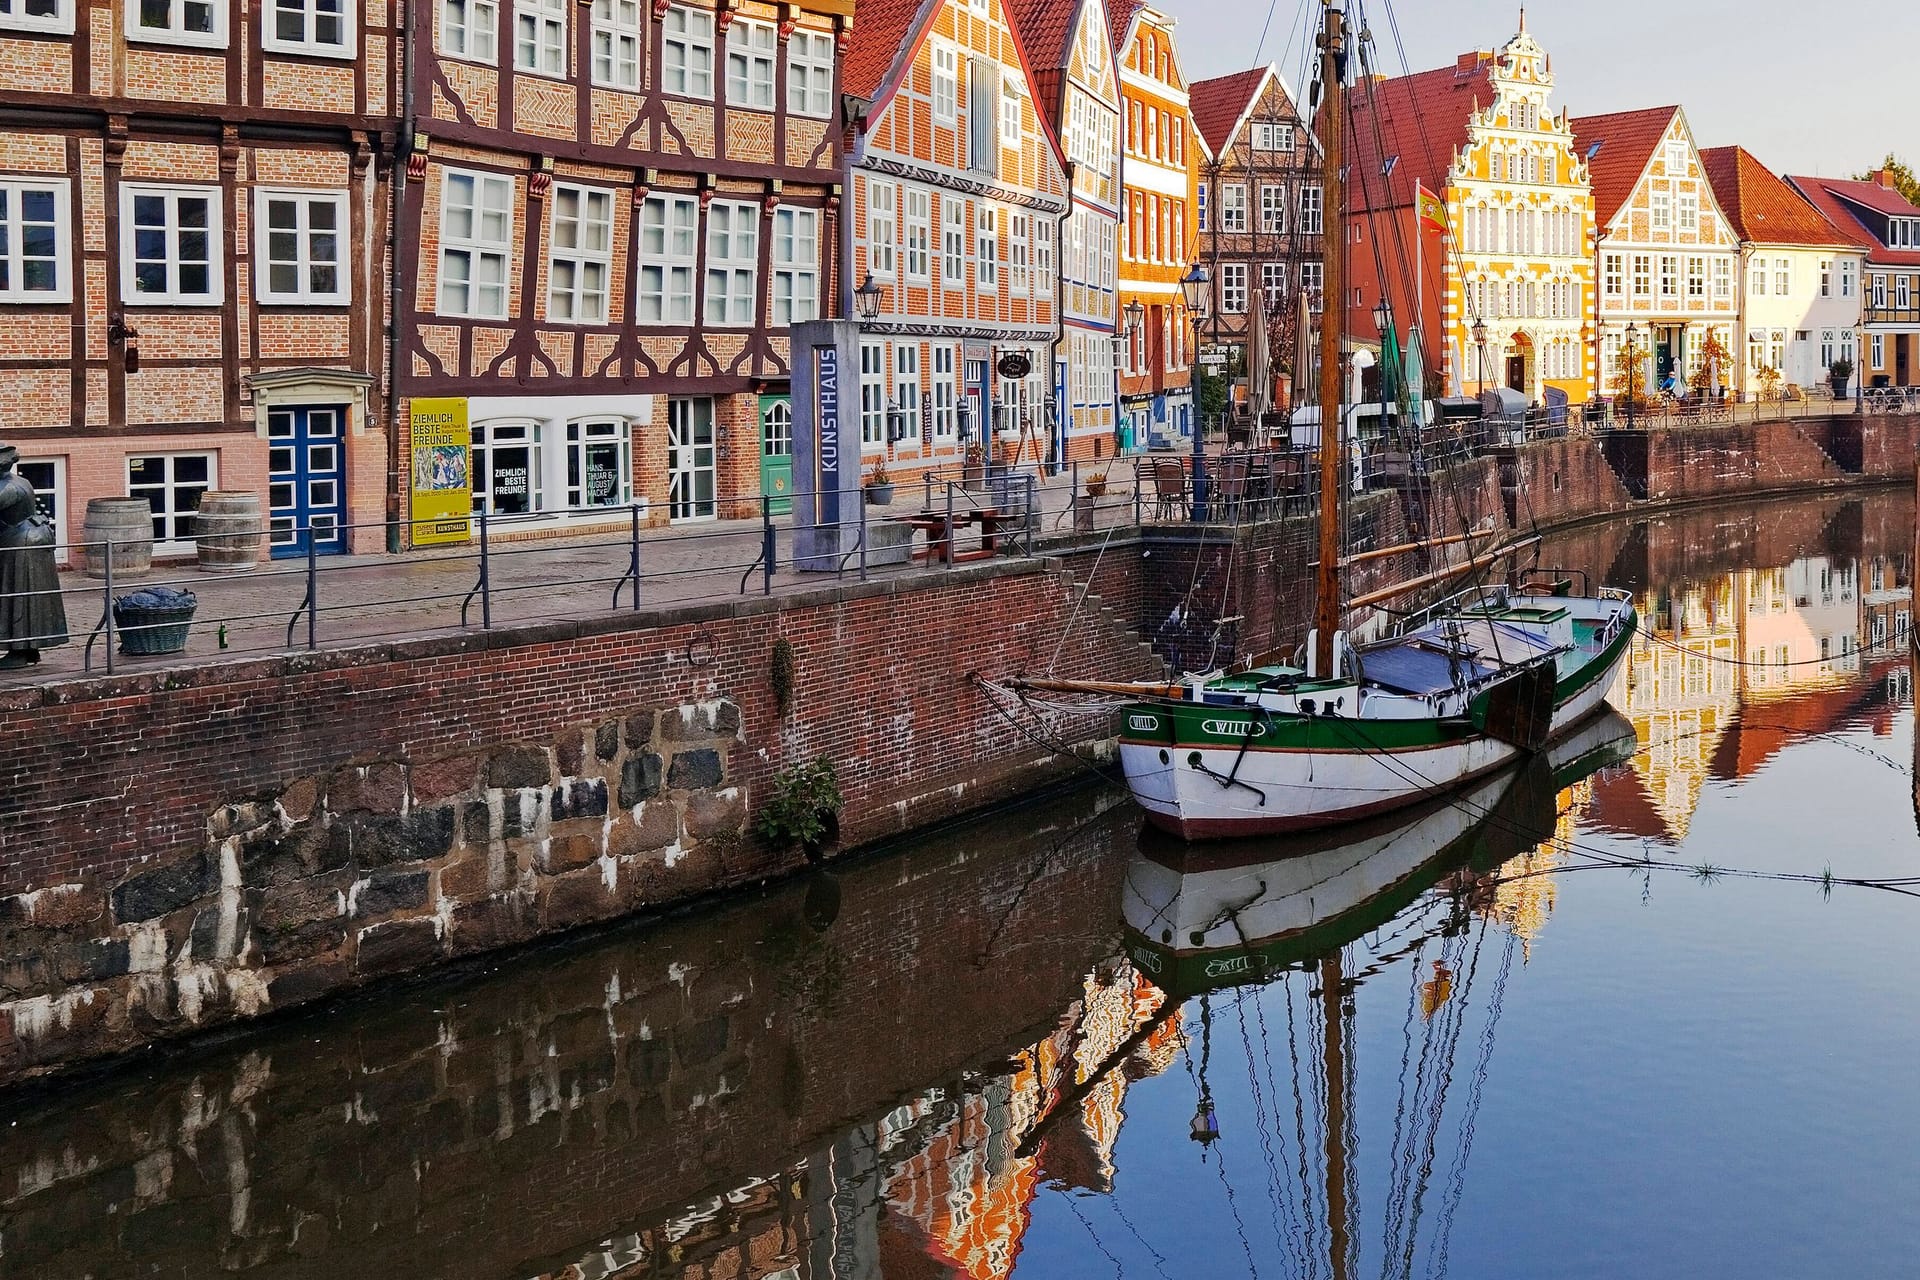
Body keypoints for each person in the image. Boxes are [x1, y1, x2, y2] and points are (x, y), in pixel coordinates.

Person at [0, 443, 69, 669]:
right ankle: (28, 648)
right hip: (24, 540)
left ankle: (20, 651)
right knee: (23, 594)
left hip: (21, 545)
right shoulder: (19, 481)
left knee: (19, 594)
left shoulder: (9, 488)